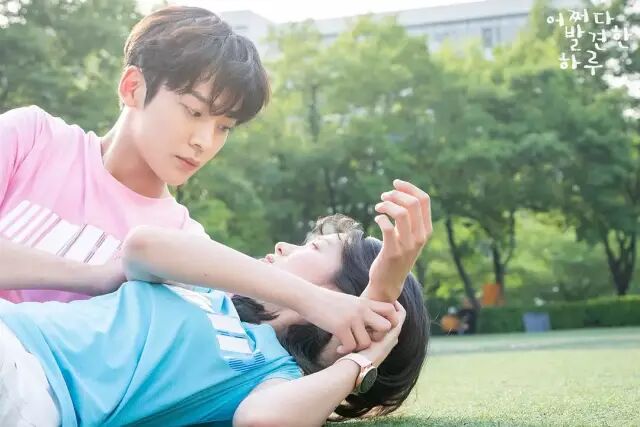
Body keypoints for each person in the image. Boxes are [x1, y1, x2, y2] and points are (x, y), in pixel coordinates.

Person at [0, 181, 432, 427]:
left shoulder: (271, 372)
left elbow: (262, 422)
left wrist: (363, 354)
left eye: (313, 248)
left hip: (32, 387)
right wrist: (315, 299)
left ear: (344, 298)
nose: (283, 246)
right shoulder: (215, 291)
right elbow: (143, 247)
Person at [0, 6, 268, 303]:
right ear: (133, 87)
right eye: (194, 112)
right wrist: (96, 277)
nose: (204, 142)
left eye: (224, 127)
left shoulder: (182, 243)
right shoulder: (32, 137)